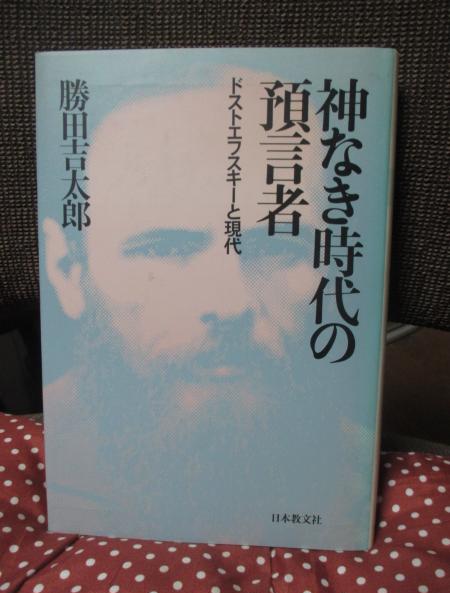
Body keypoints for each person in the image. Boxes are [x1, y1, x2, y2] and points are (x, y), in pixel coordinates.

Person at [42, 73, 343, 544]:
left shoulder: (354, 483)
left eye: (276, 246)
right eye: (162, 249)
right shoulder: (38, 471)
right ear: (67, 271)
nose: (230, 303)